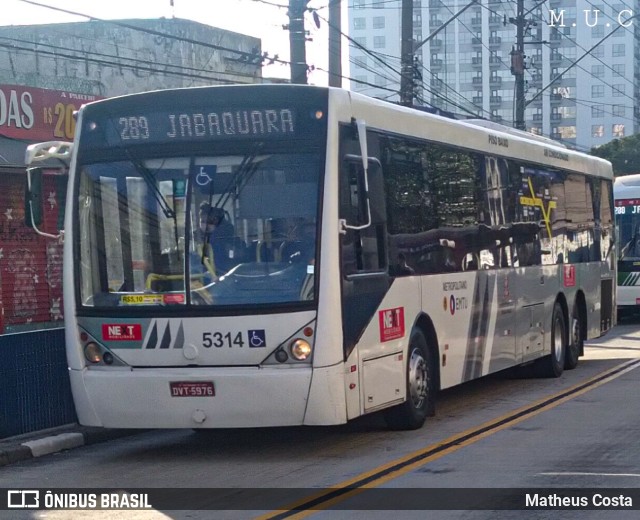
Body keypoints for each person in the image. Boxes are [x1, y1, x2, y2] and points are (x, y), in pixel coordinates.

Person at [198, 202, 236, 275]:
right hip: (203, 277)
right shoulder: (193, 238)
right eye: (203, 221)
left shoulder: (225, 237)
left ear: (217, 222)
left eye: (210, 222)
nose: (206, 225)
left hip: (224, 274)